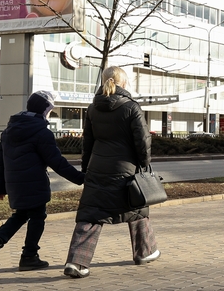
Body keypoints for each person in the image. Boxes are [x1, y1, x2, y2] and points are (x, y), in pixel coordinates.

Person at [63, 65, 159, 279]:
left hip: (98, 168)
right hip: (125, 169)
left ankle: (76, 262)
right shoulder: (131, 107)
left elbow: (87, 142)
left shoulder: (93, 108)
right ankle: (145, 252)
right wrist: (144, 165)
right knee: (137, 208)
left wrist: (87, 168)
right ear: (124, 83)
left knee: (91, 214)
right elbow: (143, 141)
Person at [0, 91, 85, 271]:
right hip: (35, 183)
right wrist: (81, 179)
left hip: (15, 184)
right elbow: (57, 162)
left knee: (21, 215)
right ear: (44, 110)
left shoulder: (10, 130)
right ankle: (29, 256)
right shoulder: (41, 132)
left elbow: (0, 162)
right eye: (50, 110)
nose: (50, 114)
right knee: (37, 216)